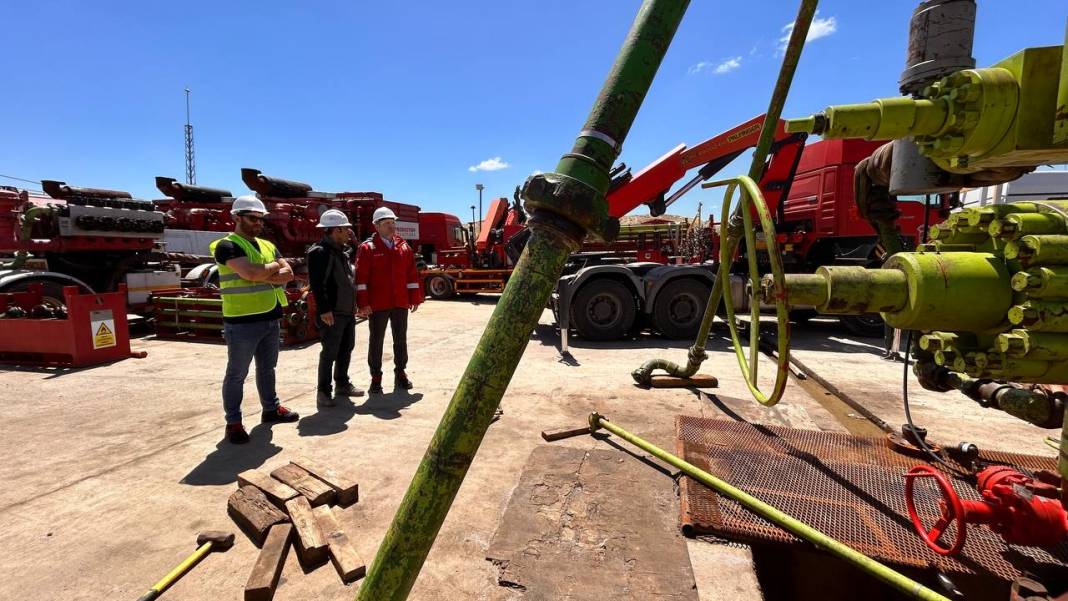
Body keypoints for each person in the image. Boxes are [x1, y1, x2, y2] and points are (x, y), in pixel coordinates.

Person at [210, 195, 300, 444]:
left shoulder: (267, 245)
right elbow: (250, 273)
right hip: (241, 321)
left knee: (267, 368)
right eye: (252, 218)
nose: (258, 223)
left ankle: (270, 409)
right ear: (236, 217)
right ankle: (234, 422)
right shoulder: (227, 246)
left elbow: (289, 273)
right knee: (237, 374)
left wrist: (262, 273)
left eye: (260, 219)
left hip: (270, 317)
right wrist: (269, 270)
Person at [355, 206, 424, 394]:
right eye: (387, 224)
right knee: (376, 340)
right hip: (378, 304)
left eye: (393, 223)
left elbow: (412, 275)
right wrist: (363, 303)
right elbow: (360, 280)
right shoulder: (367, 248)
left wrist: (414, 298)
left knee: (400, 339)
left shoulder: (404, 247)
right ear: (376, 226)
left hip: (400, 302)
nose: (392, 227)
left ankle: (400, 372)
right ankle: (375, 376)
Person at [307, 209, 364, 407]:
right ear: (336, 229)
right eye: (347, 229)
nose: (350, 232)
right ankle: (323, 391)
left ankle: (342, 383)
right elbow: (317, 284)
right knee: (330, 352)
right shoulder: (320, 252)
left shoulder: (341, 251)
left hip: (347, 311)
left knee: (346, 348)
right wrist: (324, 310)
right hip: (332, 313)